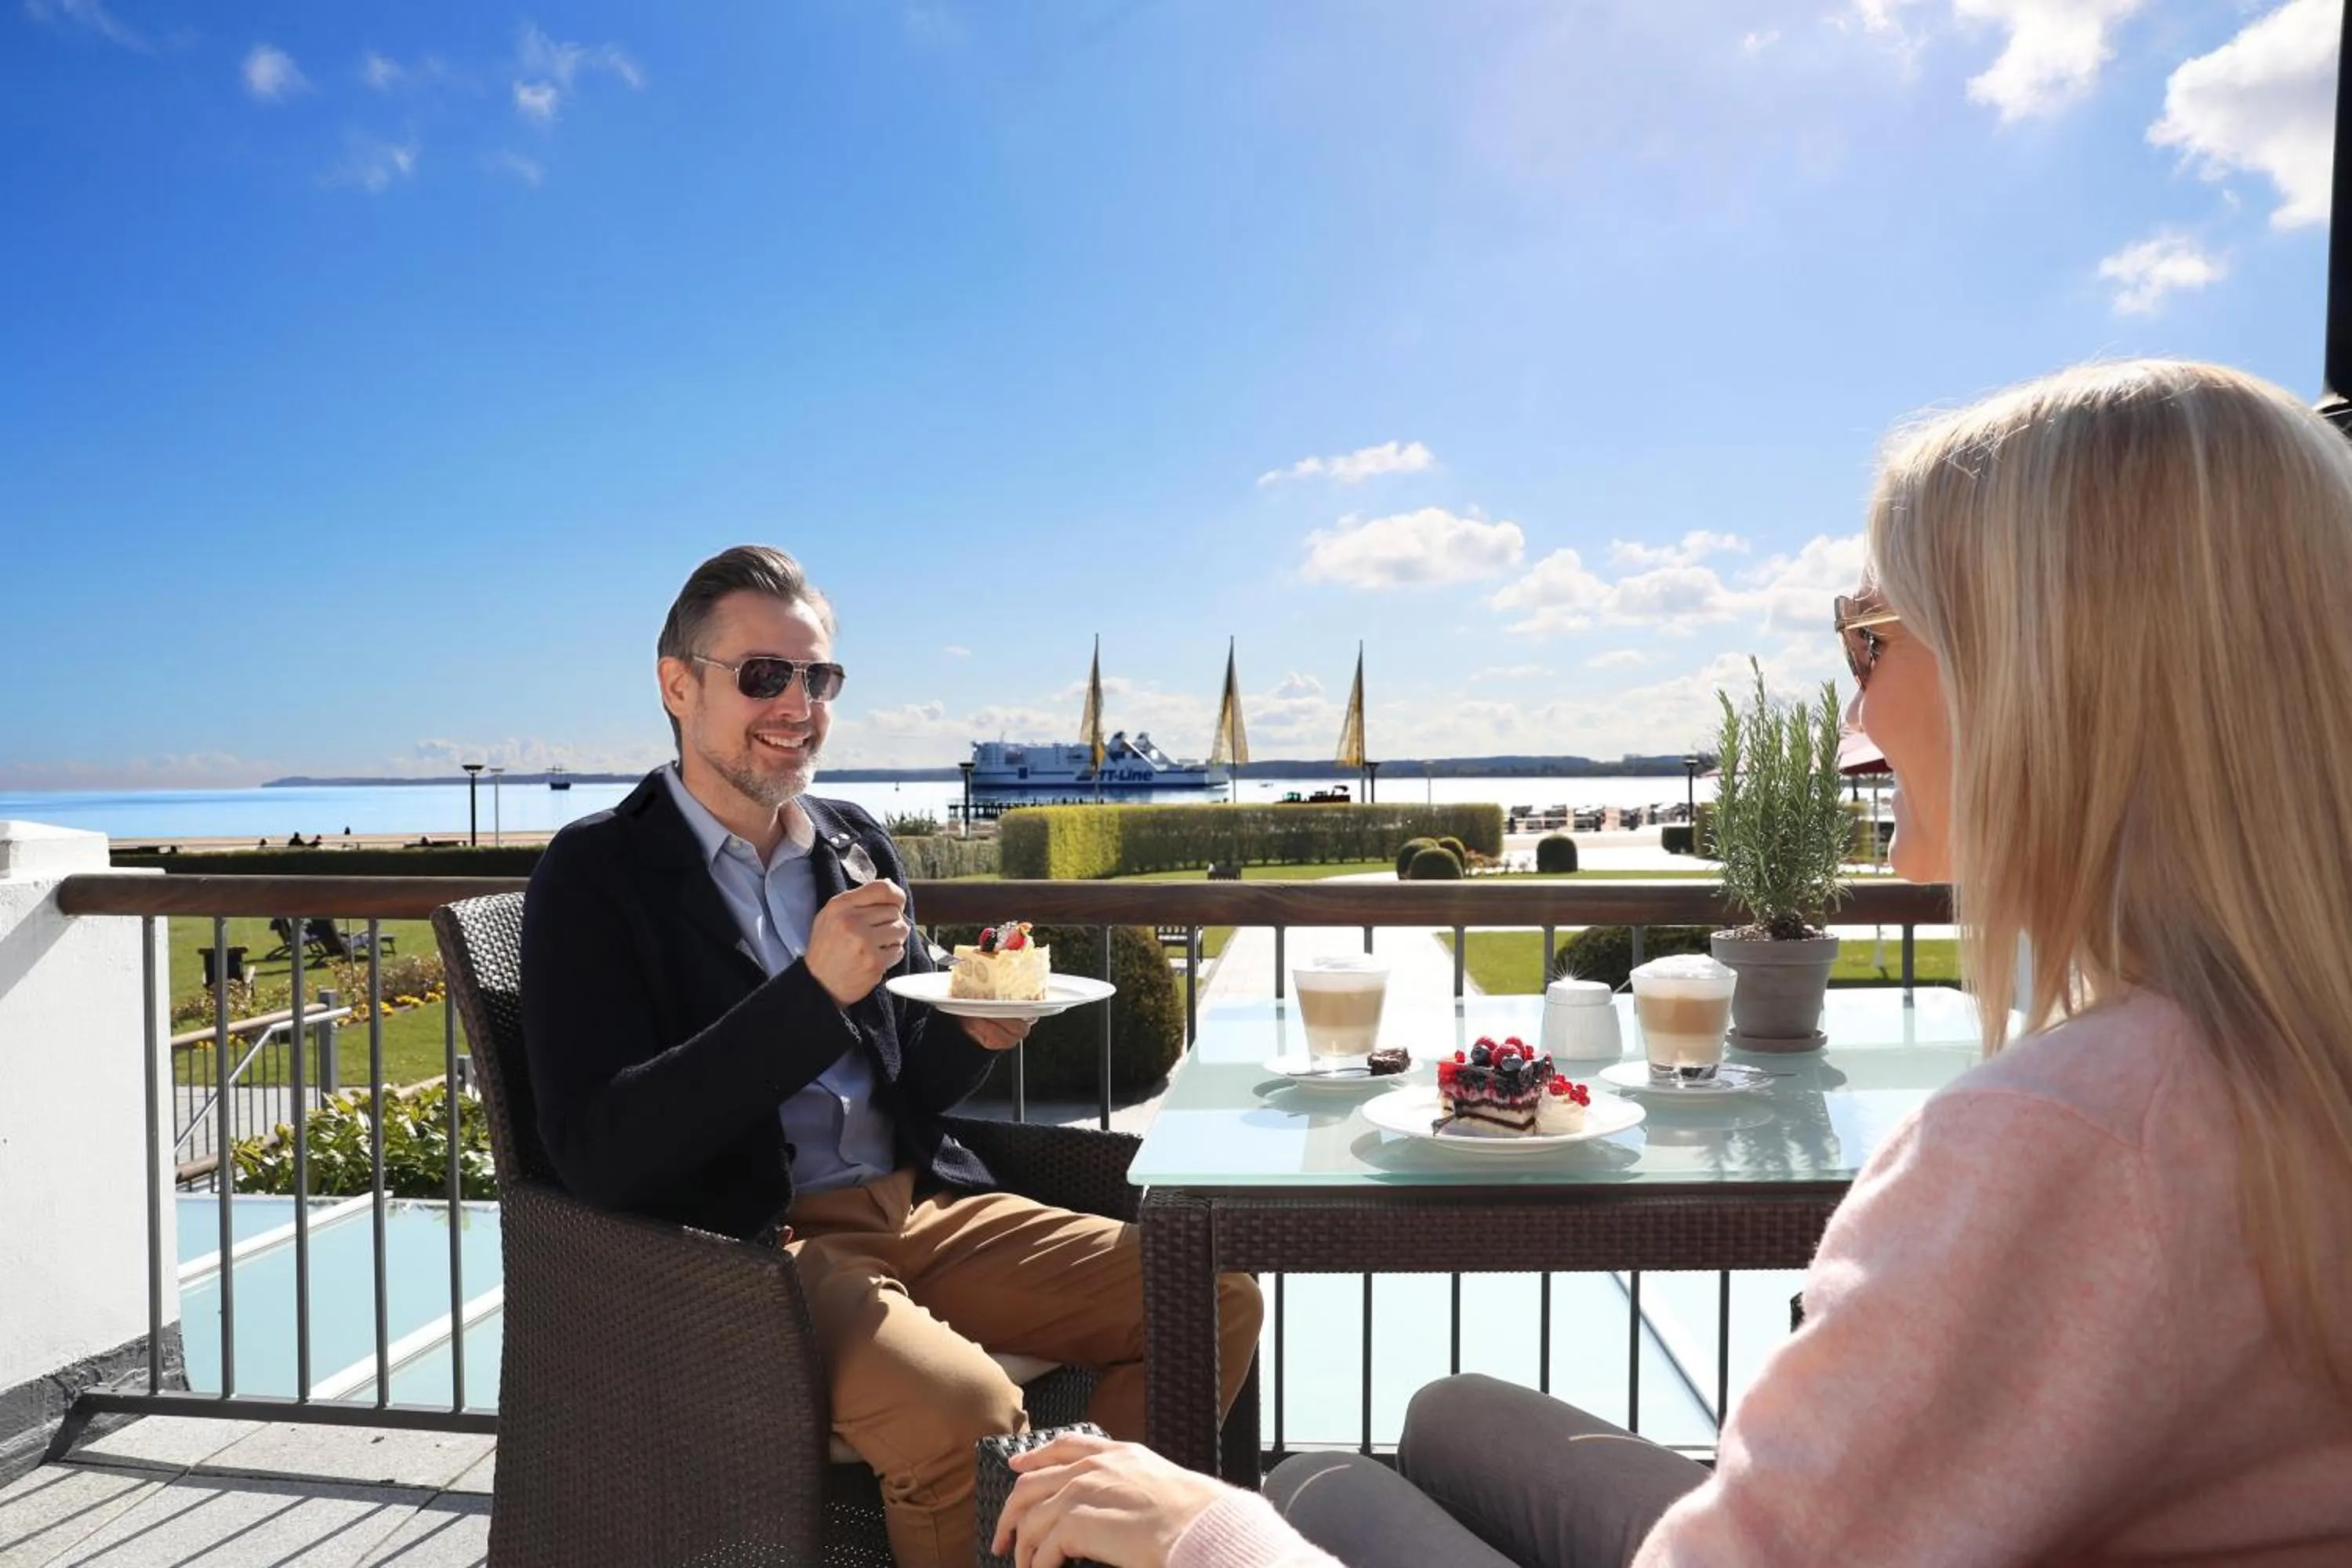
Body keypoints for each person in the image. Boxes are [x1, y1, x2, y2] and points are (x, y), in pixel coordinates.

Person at [993, 360, 2352, 1567]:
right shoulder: (2272, 1049)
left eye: (1870, 640)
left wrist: (1206, 1532)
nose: (1857, 710)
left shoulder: (2065, 1140)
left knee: (1316, 1483)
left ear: (2051, 676)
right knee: (1446, 1414)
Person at [520, 545, 1262, 1568]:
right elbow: (597, 1146)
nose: (801, 704)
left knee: (1211, 1297)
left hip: (922, 1204)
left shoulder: (851, 842)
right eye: (764, 675)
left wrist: (972, 1031)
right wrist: (809, 996)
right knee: (970, 1413)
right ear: (677, 686)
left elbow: (908, 1071)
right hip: (751, 1248)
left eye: (819, 676)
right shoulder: (599, 875)